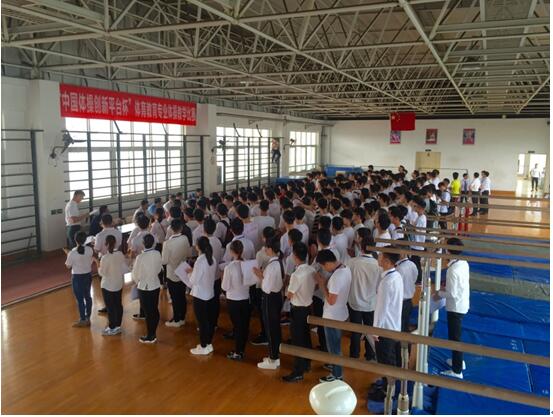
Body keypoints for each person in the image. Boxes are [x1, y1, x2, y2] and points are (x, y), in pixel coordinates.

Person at [369, 251, 403, 402]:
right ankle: (388, 386)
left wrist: (376, 330)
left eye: (381, 257)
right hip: (393, 325)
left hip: (385, 328)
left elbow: (381, 309)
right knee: (390, 359)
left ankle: (388, 392)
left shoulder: (387, 282)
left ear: (387, 262)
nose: (378, 258)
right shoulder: (396, 276)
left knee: (385, 361)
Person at [433, 238, 470, 379]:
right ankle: (458, 361)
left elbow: (452, 294)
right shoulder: (463, 263)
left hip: (455, 307)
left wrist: (439, 293)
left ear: (448, 251)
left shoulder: (452, 270)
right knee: (456, 336)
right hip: (462, 303)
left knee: (455, 338)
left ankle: (457, 370)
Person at [315, 249, 352, 383]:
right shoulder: (345, 268)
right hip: (340, 313)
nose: (324, 269)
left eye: (323, 266)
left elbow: (331, 300)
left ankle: (337, 375)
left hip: (332, 316)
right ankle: (335, 365)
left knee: (334, 347)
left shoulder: (337, 277)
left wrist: (322, 285)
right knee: (335, 344)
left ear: (328, 263)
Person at [282, 242, 316, 382]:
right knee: (306, 337)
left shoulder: (297, 274)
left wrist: (286, 290)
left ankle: (298, 371)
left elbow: (289, 295)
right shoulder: (311, 269)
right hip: (307, 307)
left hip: (298, 309)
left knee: (297, 340)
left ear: (295, 256)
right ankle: (306, 363)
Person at [345, 236, 380, 361]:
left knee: (355, 330)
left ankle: (354, 355)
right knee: (370, 330)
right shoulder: (378, 265)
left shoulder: (352, 262)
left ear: (361, 247)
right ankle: (370, 355)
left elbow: (347, 281)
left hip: (354, 302)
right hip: (371, 303)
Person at [252, 237, 284, 370]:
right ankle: (274, 355)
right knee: (274, 327)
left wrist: (260, 276)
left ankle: (273, 358)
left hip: (270, 298)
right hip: (276, 297)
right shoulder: (279, 261)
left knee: (271, 328)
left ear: (270, 249)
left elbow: (266, 287)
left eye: (266, 247)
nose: (265, 249)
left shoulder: (272, 266)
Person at [222, 240, 251, 361]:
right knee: (244, 325)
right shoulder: (247, 264)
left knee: (238, 326)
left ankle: (238, 352)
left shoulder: (229, 267)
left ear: (231, 251)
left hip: (233, 299)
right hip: (245, 298)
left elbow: (225, 286)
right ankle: (241, 349)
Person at [190, 236, 218, 355]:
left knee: (202, 322)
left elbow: (194, 280)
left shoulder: (200, 261)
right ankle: (208, 343)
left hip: (200, 295)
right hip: (209, 293)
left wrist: (190, 273)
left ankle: (203, 346)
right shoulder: (212, 258)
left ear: (198, 247)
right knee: (208, 321)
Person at [132, 234, 162, 344]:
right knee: (154, 309)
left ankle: (151, 335)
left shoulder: (140, 257)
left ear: (143, 244)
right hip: (155, 284)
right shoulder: (157, 253)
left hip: (144, 287)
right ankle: (153, 332)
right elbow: (159, 269)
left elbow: (135, 275)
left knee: (148, 312)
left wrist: (137, 282)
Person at [162, 219, 192, 328]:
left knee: (174, 298)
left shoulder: (167, 243)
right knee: (182, 296)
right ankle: (182, 317)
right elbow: (188, 254)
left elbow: (164, 261)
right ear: (181, 228)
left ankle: (176, 319)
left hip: (172, 273)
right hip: (182, 271)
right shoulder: (185, 238)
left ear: (171, 229)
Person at [96, 235, 127, 336]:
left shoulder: (105, 257)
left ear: (106, 244)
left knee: (110, 307)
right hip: (118, 283)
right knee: (118, 304)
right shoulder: (120, 254)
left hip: (108, 285)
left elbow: (102, 273)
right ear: (115, 243)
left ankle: (112, 327)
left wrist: (97, 263)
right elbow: (124, 269)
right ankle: (117, 326)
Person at [65, 231, 94, 327]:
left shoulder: (72, 253)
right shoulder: (90, 250)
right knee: (88, 297)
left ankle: (82, 319)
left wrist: (68, 254)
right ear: (85, 240)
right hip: (88, 276)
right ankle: (88, 317)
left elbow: (68, 266)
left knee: (80, 299)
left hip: (77, 278)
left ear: (75, 240)